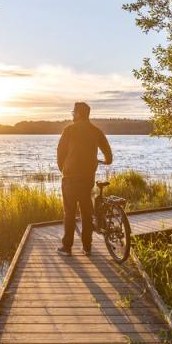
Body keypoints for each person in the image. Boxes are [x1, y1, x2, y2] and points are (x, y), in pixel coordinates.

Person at [56, 102, 112, 256]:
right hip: (87, 179)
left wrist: (64, 169)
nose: (72, 115)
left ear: (79, 114)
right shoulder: (96, 131)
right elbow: (109, 156)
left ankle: (67, 247)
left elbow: (60, 153)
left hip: (70, 178)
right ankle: (87, 247)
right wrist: (104, 161)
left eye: (73, 112)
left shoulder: (69, 130)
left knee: (70, 212)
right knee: (87, 213)